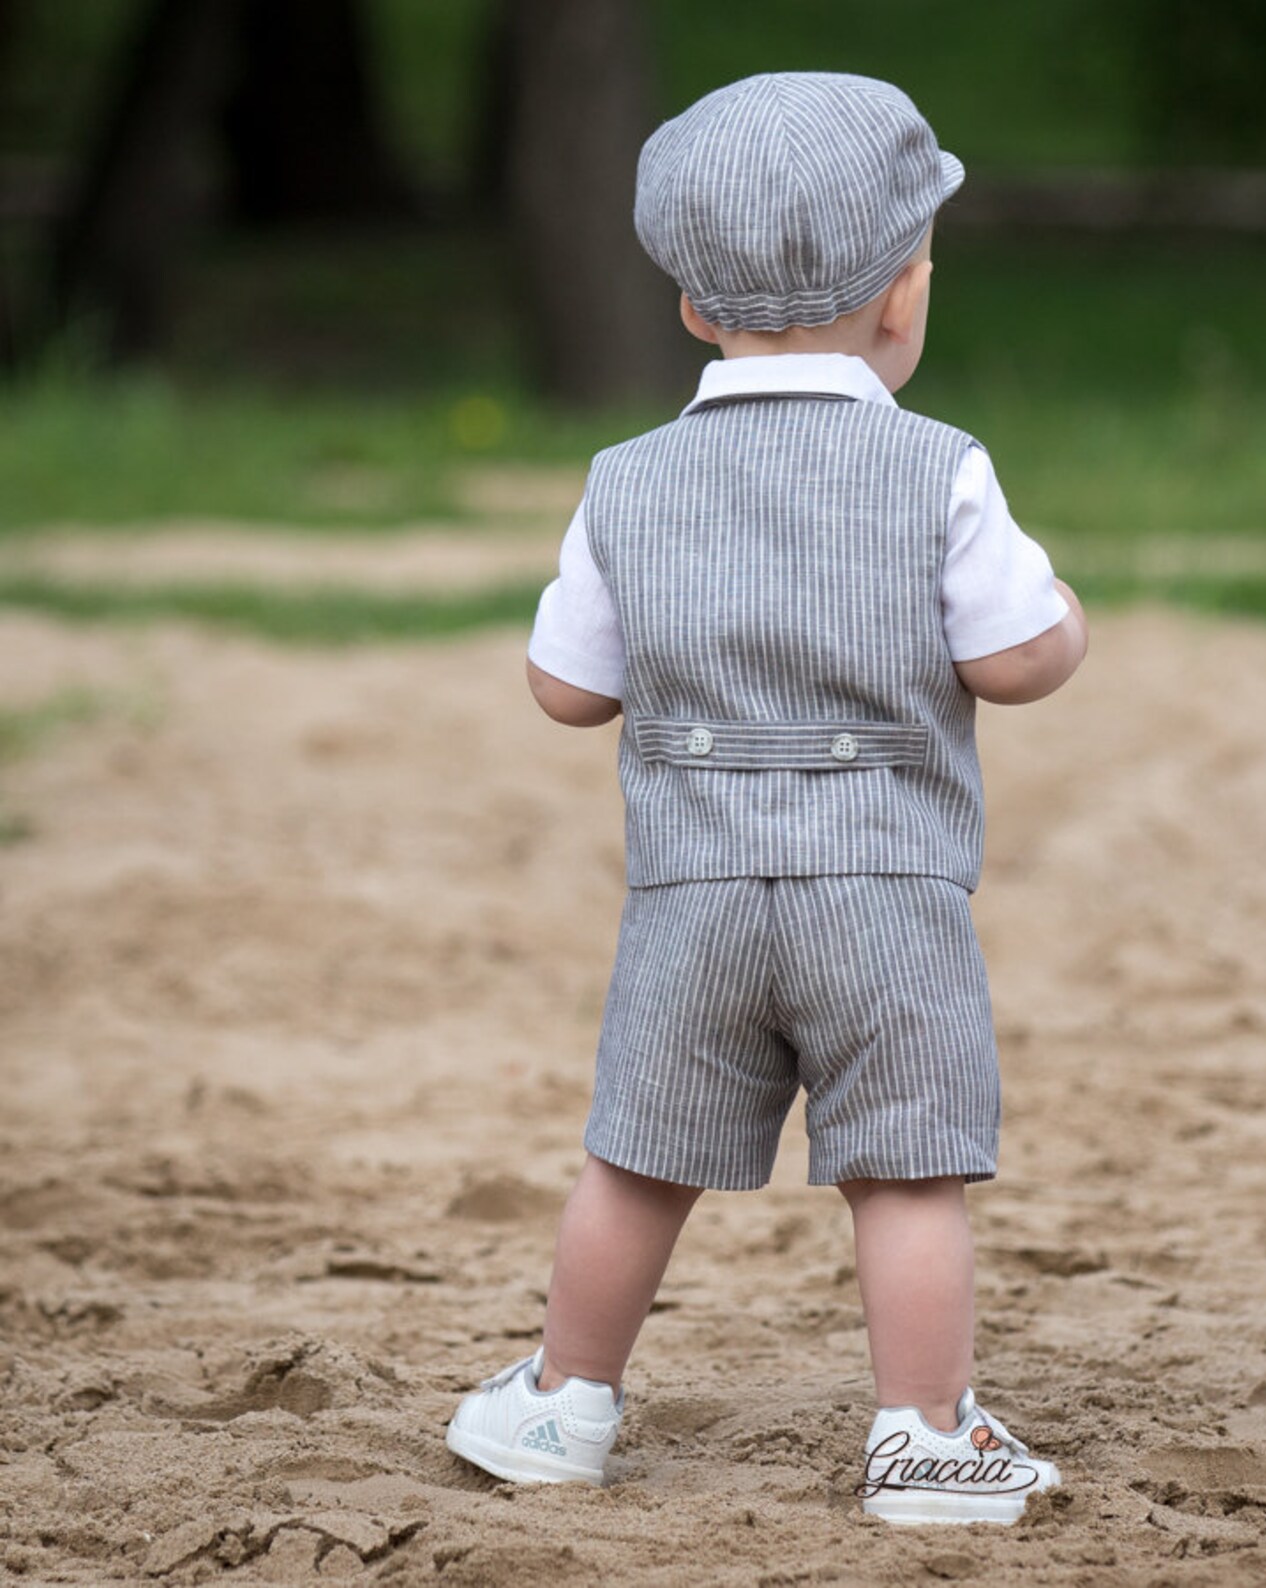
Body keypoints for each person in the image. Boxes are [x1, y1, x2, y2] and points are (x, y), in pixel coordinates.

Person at [446, 72, 1087, 1526]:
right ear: (904, 296)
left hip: (695, 896)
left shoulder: (626, 480)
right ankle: (925, 1436)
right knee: (908, 1176)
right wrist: (1068, 624)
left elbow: (564, 687)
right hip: (887, 897)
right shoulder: (941, 472)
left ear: (688, 306)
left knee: (636, 1160)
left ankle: (563, 1403)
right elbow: (1011, 656)